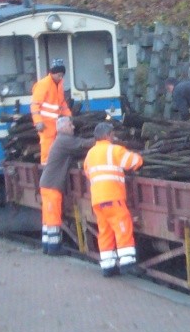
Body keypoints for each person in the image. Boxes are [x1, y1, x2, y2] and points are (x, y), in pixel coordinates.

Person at [83, 122, 144, 277]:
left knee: (105, 231)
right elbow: (134, 162)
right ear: (108, 135)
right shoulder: (114, 150)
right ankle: (127, 263)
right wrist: (139, 157)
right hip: (113, 196)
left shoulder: (90, 154)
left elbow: (87, 172)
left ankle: (108, 266)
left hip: (97, 199)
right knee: (123, 226)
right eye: (113, 134)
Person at [38, 117, 94, 256]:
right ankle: (54, 248)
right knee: (53, 218)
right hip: (52, 186)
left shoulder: (61, 140)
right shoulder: (64, 140)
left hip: (47, 184)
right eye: (70, 125)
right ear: (62, 128)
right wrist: (101, 140)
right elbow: (83, 144)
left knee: (47, 218)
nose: (73, 127)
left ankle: (46, 245)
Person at [30, 59, 72, 164]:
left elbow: (62, 103)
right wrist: (38, 122)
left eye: (62, 75)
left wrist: (69, 116)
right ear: (53, 73)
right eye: (59, 75)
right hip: (45, 123)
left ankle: (54, 165)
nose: (61, 77)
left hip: (55, 123)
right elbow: (35, 105)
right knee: (47, 145)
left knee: (55, 146)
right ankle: (45, 166)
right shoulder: (43, 84)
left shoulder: (59, 84)